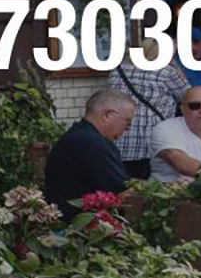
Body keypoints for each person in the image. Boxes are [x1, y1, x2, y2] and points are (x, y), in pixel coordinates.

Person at [43, 89, 133, 220]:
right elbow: (123, 192)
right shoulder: (90, 142)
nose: (128, 128)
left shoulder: (83, 135)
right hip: (77, 226)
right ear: (107, 115)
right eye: (127, 122)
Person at [107, 41, 188, 179]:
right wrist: (177, 69)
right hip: (151, 139)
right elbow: (188, 96)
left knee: (124, 184)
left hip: (119, 137)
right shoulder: (166, 72)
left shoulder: (118, 71)